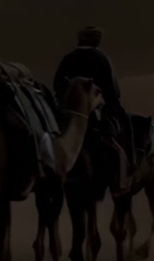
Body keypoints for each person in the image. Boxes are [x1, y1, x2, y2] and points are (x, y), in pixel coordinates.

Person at [53, 26, 136, 175]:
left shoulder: (68, 57)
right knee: (125, 119)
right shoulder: (101, 58)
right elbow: (112, 91)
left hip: (66, 107)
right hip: (96, 107)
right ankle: (130, 166)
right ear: (96, 41)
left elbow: (57, 84)